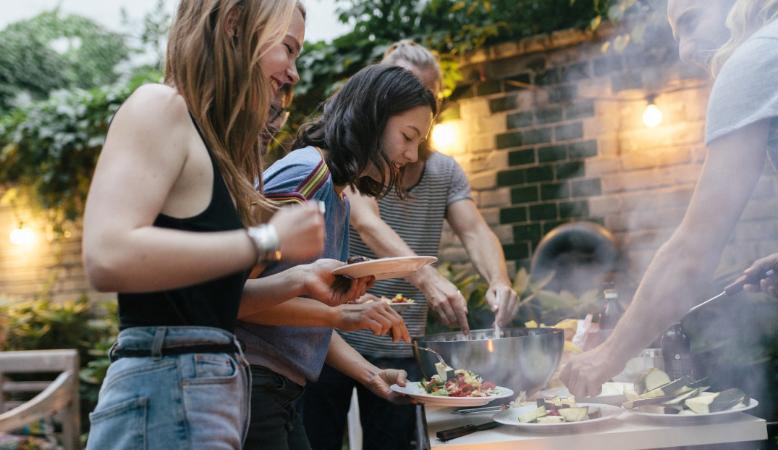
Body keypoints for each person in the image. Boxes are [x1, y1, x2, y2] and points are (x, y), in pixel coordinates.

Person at [80, 1, 358, 448]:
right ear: (233, 25)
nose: (293, 73)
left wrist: (301, 278)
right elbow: (106, 255)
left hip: (206, 392)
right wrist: (267, 240)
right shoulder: (159, 106)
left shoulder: (210, 148)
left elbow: (204, 305)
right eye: (287, 49)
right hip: (165, 389)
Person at [561, 0, 778, 398]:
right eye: (675, 35)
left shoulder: (759, 57)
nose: (684, 50)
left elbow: (695, 248)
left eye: (690, 22)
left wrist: (607, 356)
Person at [302, 40, 520, 450]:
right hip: (333, 338)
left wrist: (499, 280)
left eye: (428, 95)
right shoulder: (361, 164)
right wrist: (425, 276)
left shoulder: (443, 171)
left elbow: (474, 230)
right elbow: (366, 219)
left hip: (399, 345)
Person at [235, 63, 437, 450]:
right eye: (407, 137)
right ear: (371, 119)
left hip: (282, 391)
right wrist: (343, 315)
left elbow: (295, 313)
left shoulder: (338, 194)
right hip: (253, 384)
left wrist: (370, 373)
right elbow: (235, 297)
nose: (412, 155)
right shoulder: (305, 173)